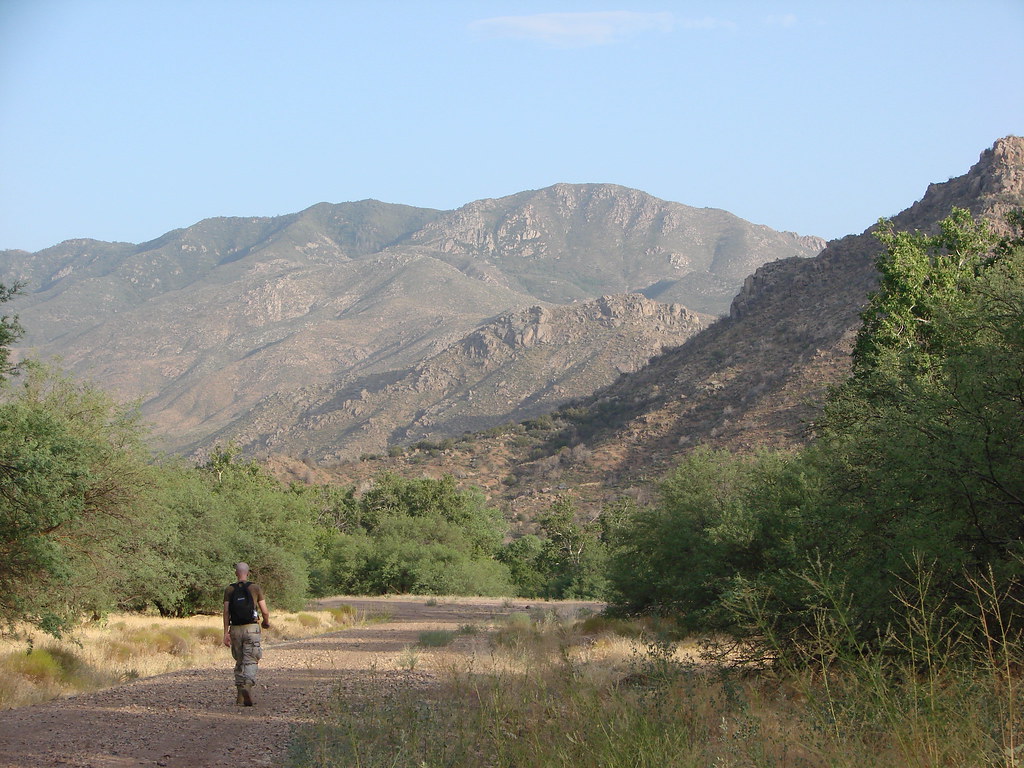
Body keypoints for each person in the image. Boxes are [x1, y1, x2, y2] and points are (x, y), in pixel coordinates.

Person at [222, 562, 270, 706]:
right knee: (251, 659)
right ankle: (247, 685)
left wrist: (226, 632)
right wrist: (266, 622)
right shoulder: (255, 588)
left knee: (240, 660)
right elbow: (264, 611)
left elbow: (226, 612)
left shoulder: (229, 589)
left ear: (236, 573)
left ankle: (239, 695)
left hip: (235, 629)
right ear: (248, 573)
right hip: (251, 628)